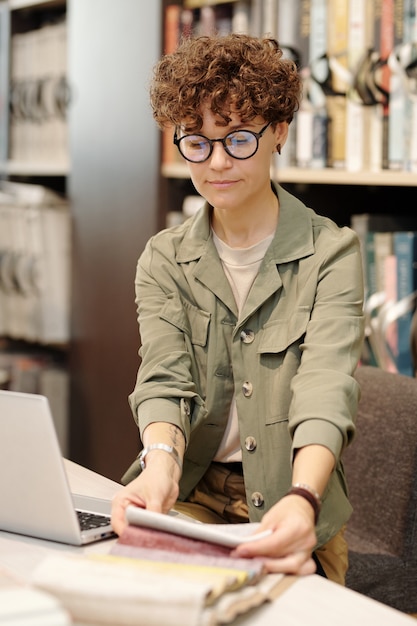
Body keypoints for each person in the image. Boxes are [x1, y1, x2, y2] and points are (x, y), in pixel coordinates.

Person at [111, 33, 365, 585]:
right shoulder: (164, 258)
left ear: (279, 132)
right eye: (197, 143)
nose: (218, 163)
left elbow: (326, 388)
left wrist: (302, 498)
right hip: (192, 496)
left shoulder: (332, 254)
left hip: (290, 503)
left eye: (239, 139)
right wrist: (159, 467)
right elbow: (163, 377)